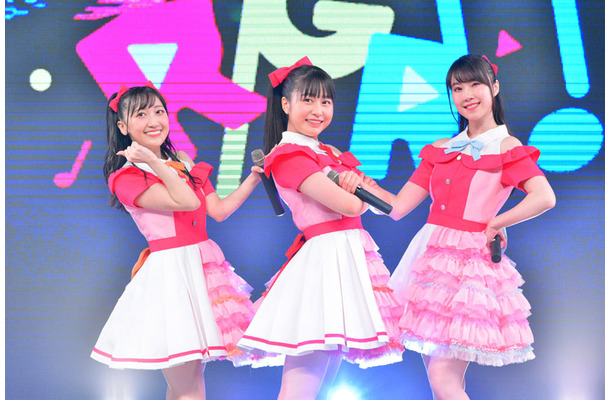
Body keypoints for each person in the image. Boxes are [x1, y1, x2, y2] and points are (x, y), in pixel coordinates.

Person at [366, 54, 556, 399]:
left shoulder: (507, 147)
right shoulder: (441, 148)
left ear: (494, 88)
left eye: (475, 84)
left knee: (443, 378)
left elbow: (544, 197)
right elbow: (397, 207)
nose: (466, 94)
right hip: (429, 262)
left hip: (469, 264)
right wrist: (358, 186)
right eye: (457, 88)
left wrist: (497, 221)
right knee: (443, 382)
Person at [236, 57, 404, 400]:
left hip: (345, 260)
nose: (318, 110)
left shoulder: (329, 152)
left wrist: (356, 185)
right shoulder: (288, 155)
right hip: (324, 265)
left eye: (325, 102)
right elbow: (352, 206)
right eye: (308, 100)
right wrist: (354, 188)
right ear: (286, 104)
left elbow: (385, 204)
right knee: (300, 390)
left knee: (323, 385)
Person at [91, 81, 262, 400]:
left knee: (187, 383)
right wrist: (156, 162)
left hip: (202, 270)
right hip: (170, 277)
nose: (154, 121)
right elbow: (186, 201)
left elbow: (218, 210)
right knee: (189, 387)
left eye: (159, 111)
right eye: (141, 114)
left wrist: (253, 178)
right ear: (123, 126)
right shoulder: (126, 177)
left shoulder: (181, 161)